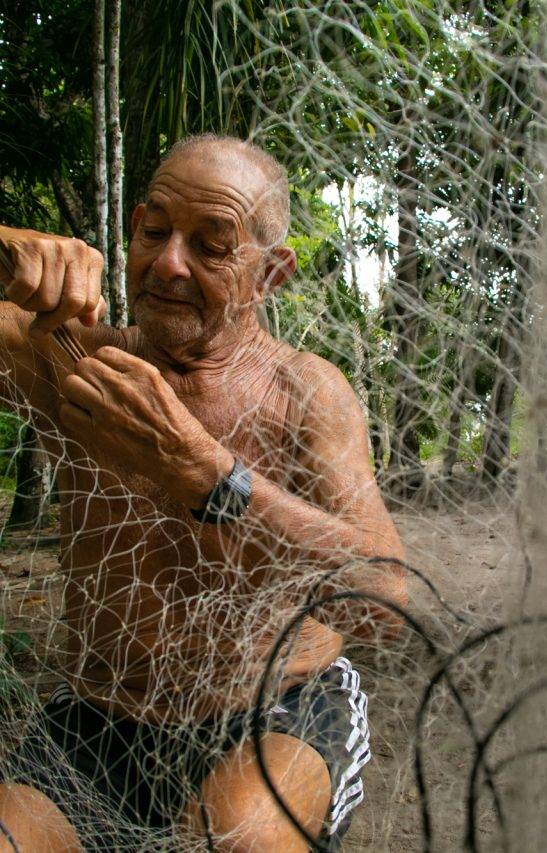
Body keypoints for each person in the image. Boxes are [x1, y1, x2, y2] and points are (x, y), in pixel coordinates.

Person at [0, 134, 407, 852]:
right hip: (99, 717)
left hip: (279, 711)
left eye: (212, 246)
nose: (169, 263)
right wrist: (4, 249)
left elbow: (384, 604)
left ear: (269, 274)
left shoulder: (305, 391)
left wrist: (199, 469)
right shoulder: (75, 362)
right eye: (155, 231)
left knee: (238, 838)